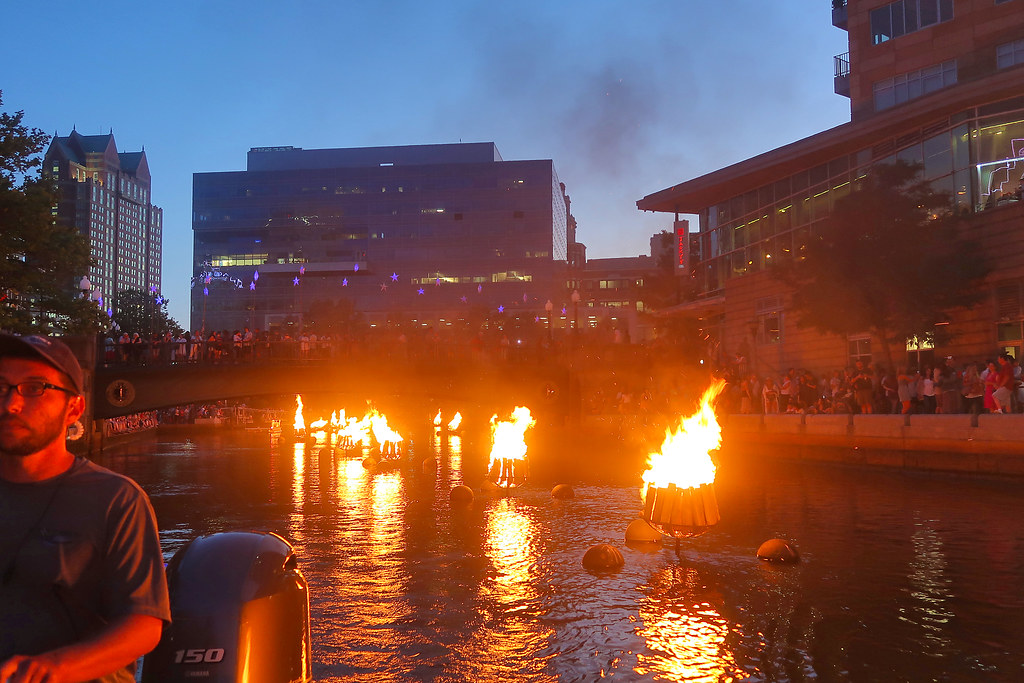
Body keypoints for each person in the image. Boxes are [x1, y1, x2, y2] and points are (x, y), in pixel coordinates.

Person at [0, 334, 170, 683]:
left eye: (33, 388)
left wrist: (54, 668)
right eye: (0, 386)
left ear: (74, 408)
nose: (10, 404)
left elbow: (143, 624)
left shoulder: (117, 500)